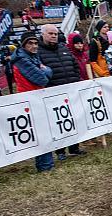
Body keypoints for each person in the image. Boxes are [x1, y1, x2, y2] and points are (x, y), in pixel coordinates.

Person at [39, 24, 86, 160]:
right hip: (53, 92)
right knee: (58, 122)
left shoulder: (63, 48)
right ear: (43, 34)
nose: (53, 36)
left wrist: (75, 79)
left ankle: (74, 147)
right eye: (50, 33)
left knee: (73, 119)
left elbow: (75, 65)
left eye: (55, 33)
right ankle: (60, 151)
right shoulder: (39, 52)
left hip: (70, 90)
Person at [11, 32, 54, 171]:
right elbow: (42, 78)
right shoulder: (21, 60)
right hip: (28, 100)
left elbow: (48, 72)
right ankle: (45, 165)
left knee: (44, 131)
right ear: (23, 45)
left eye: (36, 43)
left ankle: (46, 164)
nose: (34, 46)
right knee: (41, 132)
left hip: (37, 97)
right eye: (30, 43)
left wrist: (45, 70)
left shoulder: (32, 57)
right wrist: (45, 70)